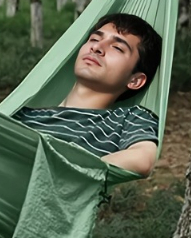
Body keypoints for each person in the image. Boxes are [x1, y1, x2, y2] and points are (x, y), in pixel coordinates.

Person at [12, 13, 162, 177]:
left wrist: (70, 173)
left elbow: (142, 159)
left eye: (117, 48)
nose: (96, 48)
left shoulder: (127, 119)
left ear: (135, 80)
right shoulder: (23, 115)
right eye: (94, 39)